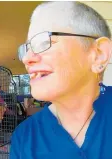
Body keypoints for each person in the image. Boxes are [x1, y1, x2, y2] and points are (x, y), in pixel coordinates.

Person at [10, 1, 112, 159]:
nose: (26, 59)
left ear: (98, 54)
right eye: (27, 48)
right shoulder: (25, 137)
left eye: (44, 42)